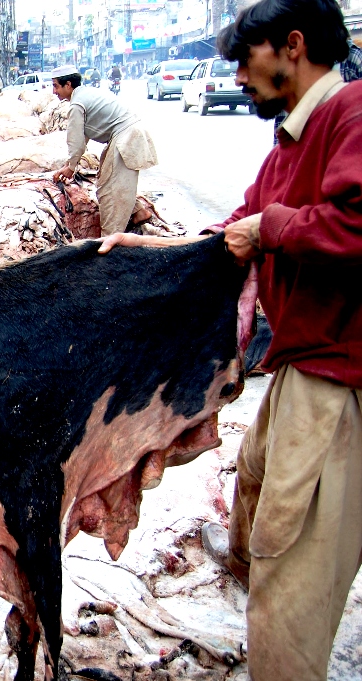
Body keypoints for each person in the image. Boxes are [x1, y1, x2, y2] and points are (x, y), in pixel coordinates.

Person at [99, 0, 362, 677]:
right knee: (252, 486)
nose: (239, 77)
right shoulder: (290, 144)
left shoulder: (352, 115)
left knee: (290, 558)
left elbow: (338, 228)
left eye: (246, 61)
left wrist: (271, 228)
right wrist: (147, 250)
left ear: (293, 47)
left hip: (339, 378)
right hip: (301, 364)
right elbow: (233, 232)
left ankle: (283, 652)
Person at [50, 64, 157, 235]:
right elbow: (82, 137)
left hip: (125, 137)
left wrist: (71, 167)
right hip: (126, 134)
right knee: (111, 182)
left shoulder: (77, 104)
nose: (53, 91)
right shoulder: (86, 94)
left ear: (68, 84)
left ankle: (110, 240)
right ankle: (138, 212)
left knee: (111, 192)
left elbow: (76, 140)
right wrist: (71, 163)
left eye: (55, 85)